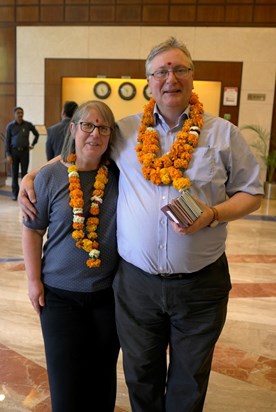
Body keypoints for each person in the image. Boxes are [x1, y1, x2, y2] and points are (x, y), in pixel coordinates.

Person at [19, 37, 263, 412]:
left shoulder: (222, 135)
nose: (171, 78)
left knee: (189, 381)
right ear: (148, 80)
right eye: (161, 71)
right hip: (137, 286)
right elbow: (83, 151)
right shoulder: (126, 131)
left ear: (192, 76)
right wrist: (33, 175)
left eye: (179, 69)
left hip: (200, 285)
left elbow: (252, 192)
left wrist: (214, 214)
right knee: (140, 376)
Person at [22, 100, 120, 412]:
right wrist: (33, 281)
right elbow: (33, 230)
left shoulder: (120, 174)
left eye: (103, 128)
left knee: (102, 382)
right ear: (74, 129)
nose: (95, 134)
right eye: (88, 125)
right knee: (66, 389)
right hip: (60, 298)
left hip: (107, 296)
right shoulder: (49, 176)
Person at [5, 106, 39, 200]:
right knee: (14, 174)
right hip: (14, 152)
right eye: (18, 113)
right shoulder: (10, 126)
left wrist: (33, 144)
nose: (20, 114)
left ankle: (25, 194)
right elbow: (7, 141)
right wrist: (8, 154)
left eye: (21, 112)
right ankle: (15, 194)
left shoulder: (28, 125)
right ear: (14, 114)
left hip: (25, 152)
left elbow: (36, 134)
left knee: (25, 174)